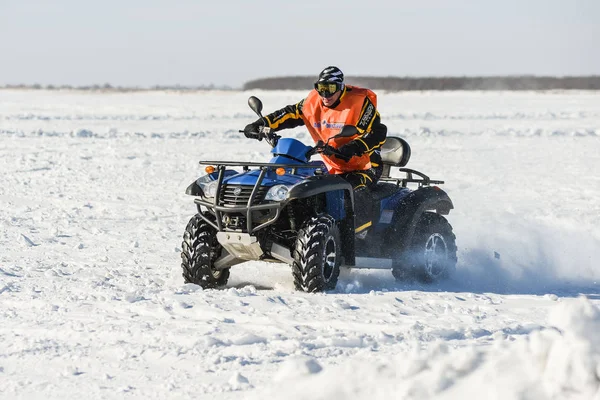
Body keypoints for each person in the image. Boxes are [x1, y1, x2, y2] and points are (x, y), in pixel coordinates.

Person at [243, 66, 387, 232]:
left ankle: (355, 237)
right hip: (331, 164)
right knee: (304, 188)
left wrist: (355, 147)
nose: (325, 94)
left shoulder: (360, 103)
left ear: (341, 87)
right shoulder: (313, 102)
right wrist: (261, 124)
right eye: (321, 88)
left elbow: (378, 132)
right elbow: (289, 114)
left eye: (330, 89)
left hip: (364, 167)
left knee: (346, 194)